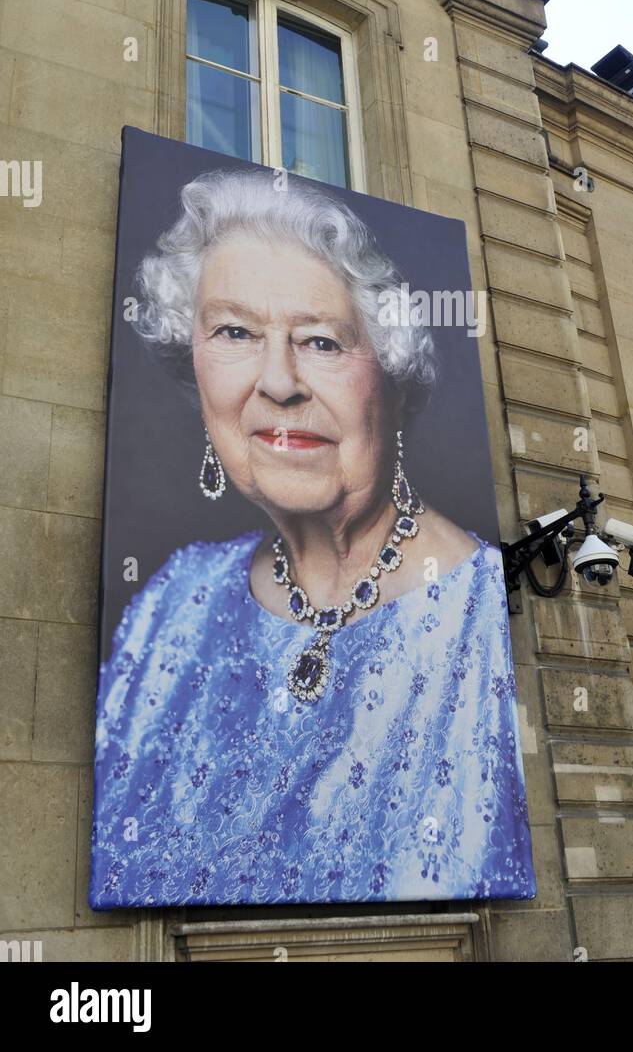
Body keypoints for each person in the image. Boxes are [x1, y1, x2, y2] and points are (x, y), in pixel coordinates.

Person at [90, 166, 536, 907]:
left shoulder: (476, 614)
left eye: (322, 342)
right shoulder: (174, 599)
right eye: (234, 332)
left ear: (388, 371)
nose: (278, 382)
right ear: (191, 361)